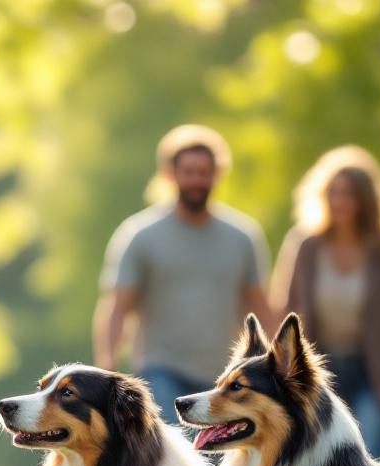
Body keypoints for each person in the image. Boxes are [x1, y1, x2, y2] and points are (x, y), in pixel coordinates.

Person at [270, 145, 380, 457]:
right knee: (320, 463)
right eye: (333, 192)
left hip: (375, 372)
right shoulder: (306, 246)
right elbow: (285, 311)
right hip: (318, 372)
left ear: (365, 200)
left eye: (348, 194)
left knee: (363, 458)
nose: (339, 201)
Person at [94, 124, 272, 425]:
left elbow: (260, 306)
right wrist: (107, 369)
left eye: (205, 172)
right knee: (180, 451)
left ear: (218, 174)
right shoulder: (140, 235)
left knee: (216, 462)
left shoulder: (243, 237)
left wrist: (277, 365)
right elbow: (117, 307)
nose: (197, 180)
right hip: (161, 368)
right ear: (169, 174)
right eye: (189, 171)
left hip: (225, 375)